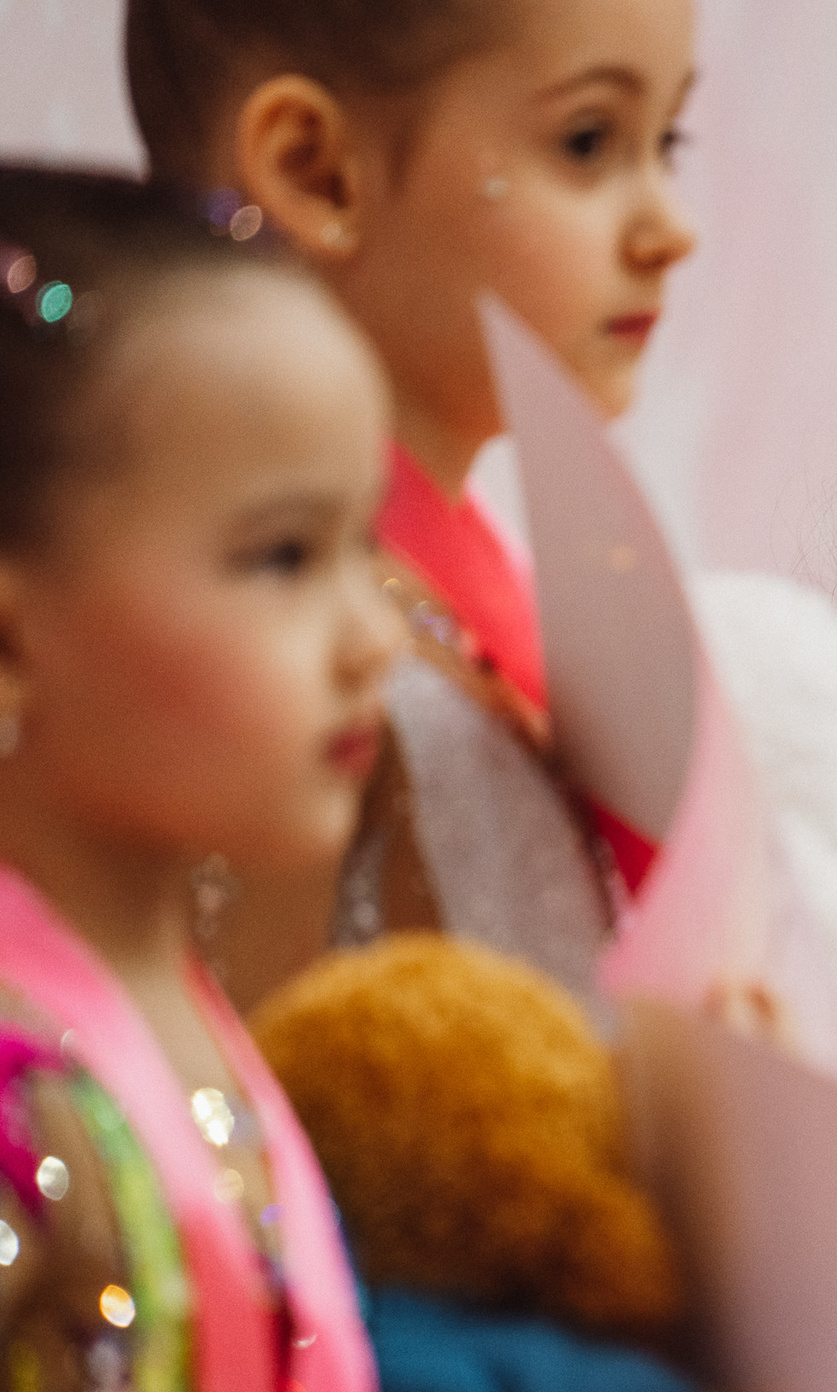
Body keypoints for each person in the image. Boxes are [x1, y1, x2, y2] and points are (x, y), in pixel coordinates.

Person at [0, 166, 463, 1392]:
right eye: (282, 556)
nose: (371, 633)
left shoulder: (199, 1019)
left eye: (363, 547)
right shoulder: (17, 1080)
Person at [121, 0, 705, 1020]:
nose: (670, 229)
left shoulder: (488, 599)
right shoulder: (292, 667)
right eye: (587, 141)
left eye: (668, 142)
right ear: (316, 171)